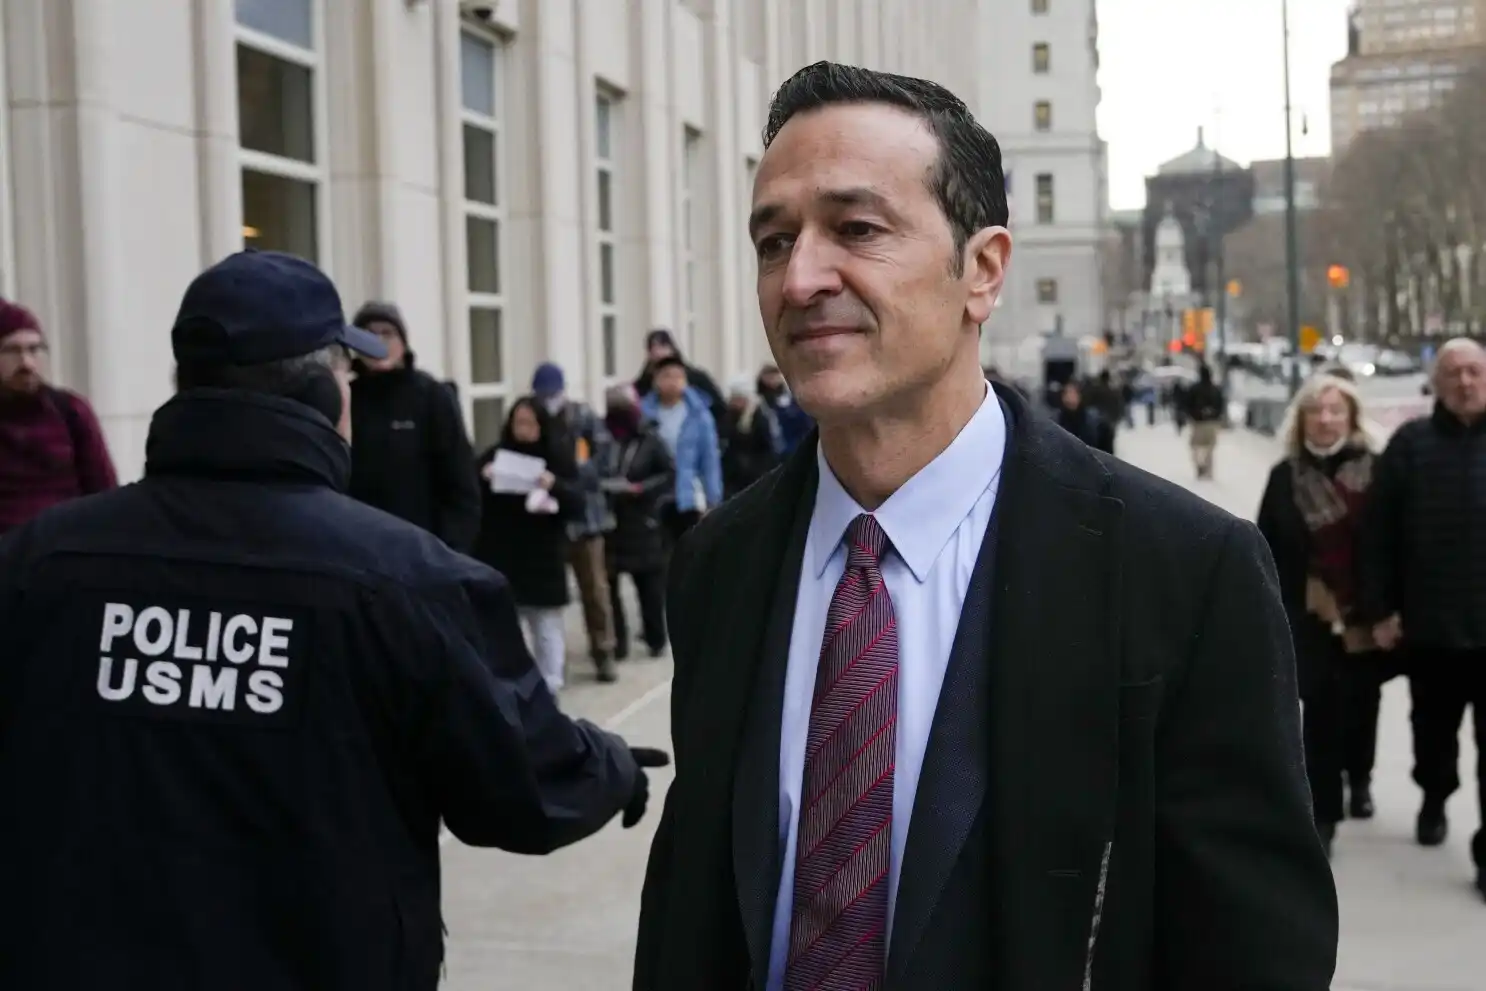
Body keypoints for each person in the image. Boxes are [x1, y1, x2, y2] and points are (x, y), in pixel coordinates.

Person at [635, 62, 1336, 990]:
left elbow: (1254, 951)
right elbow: (695, 907)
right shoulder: (719, 565)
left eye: (856, 228)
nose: (801, 277)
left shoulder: (1183, 573)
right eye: (773, 240)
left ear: (984, 269)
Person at [0, 251, 666, 990]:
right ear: (323, 394)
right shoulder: (408, 582)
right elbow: (522, 788)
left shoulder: (38, 563)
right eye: (348, 375)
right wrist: (609, 766)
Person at [1357, 337, 1486, 900]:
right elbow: (1378, 537)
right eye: (1454, 372)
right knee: (1434, 736)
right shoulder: (1409, 446)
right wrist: (1380, 611)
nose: (1465, 382)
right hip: (1431, 627)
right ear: (1435, 383)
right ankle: (1435, 793)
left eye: (1475, 372)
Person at [1256, 374, 1398, 857]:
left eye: (1335, 410)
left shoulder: (1377, 473)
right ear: (1302, 420)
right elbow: (1266, 546)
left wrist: (1390, 608)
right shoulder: (1284, 477)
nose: (1325, 419)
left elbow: (1396, 543)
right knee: (1319, 711)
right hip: (1308, 614)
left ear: (1352, 417)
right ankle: (1324, 815)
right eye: (1316, 410)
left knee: (1361, 706)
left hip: (1365, 611)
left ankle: (1360, 777)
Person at [345, 300, 481, 552]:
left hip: (422, 551)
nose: (379, 341)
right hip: (360, 546)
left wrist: (450, 551)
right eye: (369, 334)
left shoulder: (431, 397)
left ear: (403, 342)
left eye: (387, 333)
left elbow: (461, 484)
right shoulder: (346, 397)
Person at [472, 397, 587, 691]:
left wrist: (554, 486)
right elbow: (468, 493)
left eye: (529, 423)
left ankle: (550, 682)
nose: (523, 430)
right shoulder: (496, 455)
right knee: (508, 624)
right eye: (518, 423)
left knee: (546, 625)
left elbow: (578, 503)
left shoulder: (556, 457)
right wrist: (482, 478)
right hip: (502, 552)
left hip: (542, 557)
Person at [530, 361, 619, 678]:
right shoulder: (533, 418)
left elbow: (605, 458)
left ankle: (603, 651)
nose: (547, 399)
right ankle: (554, 660)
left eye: (551, 392)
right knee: (551, 593)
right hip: (548, 517)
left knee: (594, 589)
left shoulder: (582, 417)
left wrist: (577, 480)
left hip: (585, 517)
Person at [0, 300, 116, 534]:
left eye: (34, 349)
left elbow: (104, 491)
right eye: (12, 351)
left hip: (66, 549)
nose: (26, 363)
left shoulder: (71, 411)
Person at [600, 384, 674, 660]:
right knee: (609, 586)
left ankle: (656, 637)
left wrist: (642, 489)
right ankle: (617, 642)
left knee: (648, 586)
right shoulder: (604, 438)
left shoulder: (651, 439)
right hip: (611, 521)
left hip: (642, 520)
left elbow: (668, 474)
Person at [639, 354, 723, 544]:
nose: (672, 382)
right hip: (654, 494)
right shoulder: (645, 414)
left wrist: (713, 499)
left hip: (688, 493)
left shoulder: (699, 415)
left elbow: (709, 459)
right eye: (666, 376)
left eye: (678, 376)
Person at [634, 328, 727, 424]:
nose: (657, 352)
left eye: (662, 346)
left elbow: (719, 409)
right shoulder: (643, 384)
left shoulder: (697, 379)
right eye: (652, 348)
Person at [1183, 363, 1226, 478]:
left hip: (1198, 422)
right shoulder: (1216, 389)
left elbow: (1187, 404)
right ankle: (1208, 469)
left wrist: (1192, 415)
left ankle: (1200, 465)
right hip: (1213, 422)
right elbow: (1222, 405)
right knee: (1210, 447)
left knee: (1195, 445)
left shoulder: (1194, 388)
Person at [1053, 380, 1112, 454]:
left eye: (1073, 393)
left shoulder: (1093, 421)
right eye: (1066, 393)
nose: (1070, 397)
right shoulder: (1056, 420)